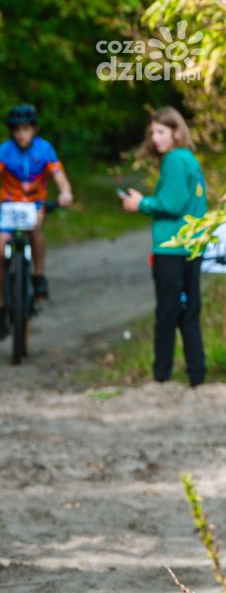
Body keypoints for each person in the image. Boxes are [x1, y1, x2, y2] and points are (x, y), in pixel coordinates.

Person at [120, 106, 209, 386]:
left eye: (161, 132)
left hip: (171, 247)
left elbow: (172, 204)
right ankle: (197, 373)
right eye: (152, 133)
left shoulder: (173, 159)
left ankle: (162, 375)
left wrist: (140, 203)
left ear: (177, 131)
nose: (156, 138)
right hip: (192, 245)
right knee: (190, 312)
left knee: (168, 313)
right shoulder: (189, 159)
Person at [0, 104, 73, 339]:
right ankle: (0, 305)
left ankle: (39, 275)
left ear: (34, 129)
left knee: (36, 228)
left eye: (25, 129)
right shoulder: (4, 151)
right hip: (9, 204)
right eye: (16, 130)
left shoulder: (45, 149)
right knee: (1, 246)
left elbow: (60, 177)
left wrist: (65, 192)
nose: (21, 134)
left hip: (35, 204)